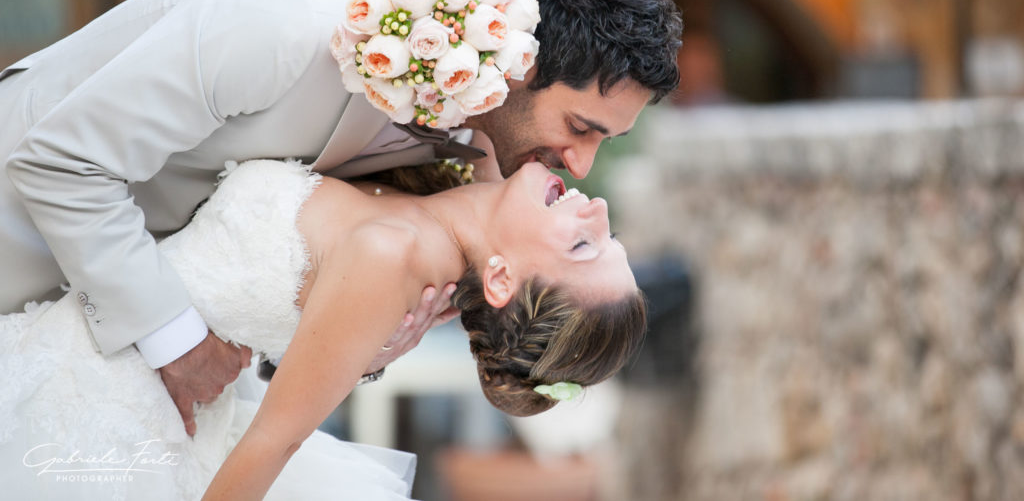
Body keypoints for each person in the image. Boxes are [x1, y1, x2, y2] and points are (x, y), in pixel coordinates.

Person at [0, 0, 681, 434]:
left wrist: (361, 340)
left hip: (90, 341)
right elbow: (60, 163)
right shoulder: (282, 27)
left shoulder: (480, 156)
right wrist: (175, 343)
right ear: (524, 63)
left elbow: (262, 262)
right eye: (582, 126)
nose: (583, 165)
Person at [0, 157, 647, 500]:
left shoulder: (392, 255)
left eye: (585, 247)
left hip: (110, 399)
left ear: (503, 281)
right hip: (95, 338)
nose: (599, 206)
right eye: (607, 235)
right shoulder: (449, 189)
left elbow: (270, 443)